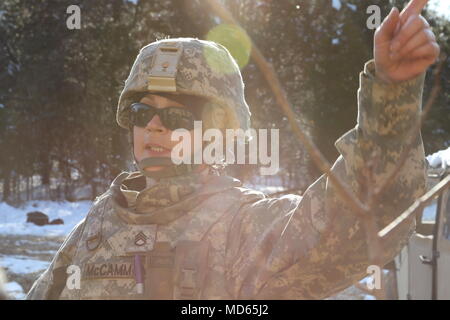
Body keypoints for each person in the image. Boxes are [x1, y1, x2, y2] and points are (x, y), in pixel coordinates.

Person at [27, 0, 439, 299]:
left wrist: (392, 96)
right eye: (141, 111)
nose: (153, 125)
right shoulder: (101, 220)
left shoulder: (241, 224)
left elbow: (356, 224)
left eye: (177, 116)